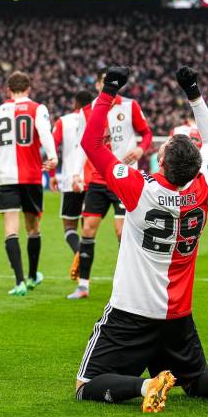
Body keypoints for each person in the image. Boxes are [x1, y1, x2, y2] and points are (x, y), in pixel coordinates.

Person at [75, 65, 208, 412]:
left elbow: (91, 142)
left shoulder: (138, 188)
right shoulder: (203, 190)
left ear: (163, 160)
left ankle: (147, 386)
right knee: (191, 379)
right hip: (177, 315)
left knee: (86, 386)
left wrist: (108, 91)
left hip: (131, 311)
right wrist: (194, 94)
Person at [68, 67, 153, 299]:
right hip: (98, 178)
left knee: (121, 231)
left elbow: (146, 133)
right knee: (87, 229)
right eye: (104, 82)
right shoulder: (89, 111)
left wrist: (139, 149)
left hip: (125, 177)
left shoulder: (130, 106)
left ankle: (130, 285)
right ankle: (83, 285)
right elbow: (81, 146)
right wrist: (76, 173)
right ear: (98, 85)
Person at [0, 71, 58, 296]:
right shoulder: (38, 108)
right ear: (29, 88)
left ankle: (18, 281)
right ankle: (31, 277)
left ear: (8, 90)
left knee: (10, 229)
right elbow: (45, 133)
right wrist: (53, 156)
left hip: (6, 177)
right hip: (30, 176)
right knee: (33, 228)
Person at [49, 90, 93, 272]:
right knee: (88, 230)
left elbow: (52, 147)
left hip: (70, 180)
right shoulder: (98, 119)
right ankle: (85, 277)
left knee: (69, 226)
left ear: (75, 103)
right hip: (92, 180)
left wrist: (52, 176)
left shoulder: (63, 121)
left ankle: (77, 251)